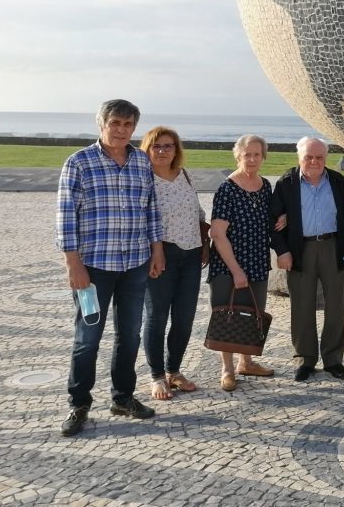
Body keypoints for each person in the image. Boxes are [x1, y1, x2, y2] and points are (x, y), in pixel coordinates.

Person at [57, 99, 166, 437]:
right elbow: (65, 217)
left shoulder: (141, 162)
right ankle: (79, 403)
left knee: (129, 335)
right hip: (94, 267)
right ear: (101, 124)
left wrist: (157, 250)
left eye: (128, 124)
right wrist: (73, 264)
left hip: (134, 263)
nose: (121, 130)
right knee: (87, 338)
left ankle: (122, 397)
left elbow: (151, 209)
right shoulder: (79, 162)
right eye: (115, 123)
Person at [270, 137, 344, 381]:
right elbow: (273, 220)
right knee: (301, 305)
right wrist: (282, 251)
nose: (314, 161)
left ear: (326, 158)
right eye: (308, 157)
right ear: (299, 157)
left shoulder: (338, 181)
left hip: (334, 247)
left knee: (336, 306)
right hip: (300, 249)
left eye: (319, 157)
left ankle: (333, 360)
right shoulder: (286, 183)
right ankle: (305, 359)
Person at [140, 126, 207, 400]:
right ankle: (157, 376)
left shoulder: (184, 175)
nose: (162, 151)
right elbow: (139, 220)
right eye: (156, 146)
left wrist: (206, 242)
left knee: (184, 318)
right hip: (160, 254)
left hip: (191, 254)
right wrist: (153, 252)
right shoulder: (143, 179)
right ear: (147, 149)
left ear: (176, 150)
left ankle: (174, 371)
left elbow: (197, 212)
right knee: (157, 317)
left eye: (168, 146)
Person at [208, 134, 275, 391]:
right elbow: (217, 233)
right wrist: (236, 270)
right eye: (247, 154)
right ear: (238, 156)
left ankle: (246, 362)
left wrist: (281, 221)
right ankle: (226, 368)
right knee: (227, 314)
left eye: (257, 154)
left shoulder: (265, 186)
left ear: (263, 157)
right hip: (228, 265)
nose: (252, 159)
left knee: (252, 314)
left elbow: (266, 220)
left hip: (257, 261)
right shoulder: (227, 189)